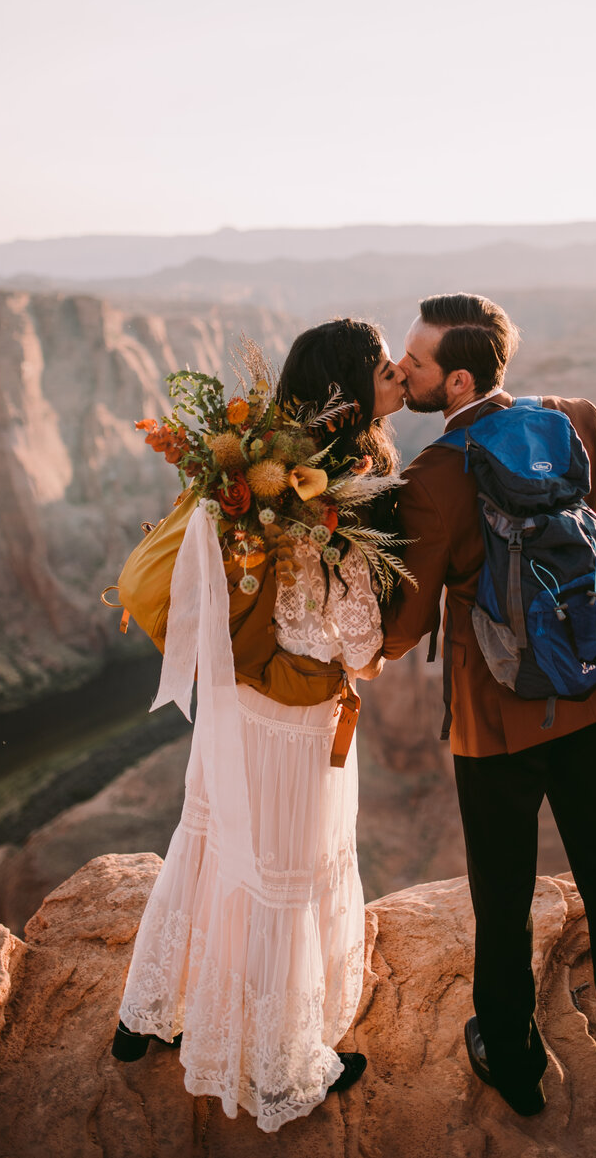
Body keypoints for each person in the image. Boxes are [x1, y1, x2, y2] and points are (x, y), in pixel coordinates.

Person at [113, 319, 406, 1133]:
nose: (398, 378)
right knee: (283, 873)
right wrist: (378, 650)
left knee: (207, 841)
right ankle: (279, 1064)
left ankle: (146, 1014)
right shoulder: (338, 492)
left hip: (234, 701)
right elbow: (349, 637)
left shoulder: (259, 466)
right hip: (293, 721)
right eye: (384, 369)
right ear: (349, 393)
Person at [381, 293, 596, 1117]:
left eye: (418, 363)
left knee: (502, 895)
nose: (404, 371)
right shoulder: (577, 418)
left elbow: (404, 627)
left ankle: (510, 1060)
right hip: (592, 701)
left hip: (493, 723)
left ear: (458, 377)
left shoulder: (434, 477)